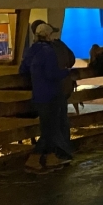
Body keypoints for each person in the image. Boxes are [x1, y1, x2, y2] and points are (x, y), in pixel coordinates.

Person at [21, 23, 73, 170]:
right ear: (48, 35)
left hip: (38, 94)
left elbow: (23, 69)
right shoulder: (48, 51)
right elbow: (52, 74)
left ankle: (50, 158)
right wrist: (66, 72)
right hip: (51, 94)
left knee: (47, 128)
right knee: (50, 129)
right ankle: (34, 159)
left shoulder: (33, 50)